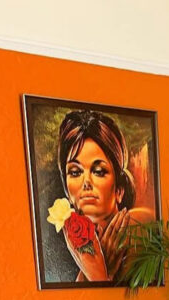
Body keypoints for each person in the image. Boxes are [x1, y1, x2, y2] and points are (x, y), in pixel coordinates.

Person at [55, 109, 137, 283]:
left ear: (119, 189)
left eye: (99, 171)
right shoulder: (71, 256)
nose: (86, 182)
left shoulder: (139, 229)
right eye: (75, 172)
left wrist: (97, 273)